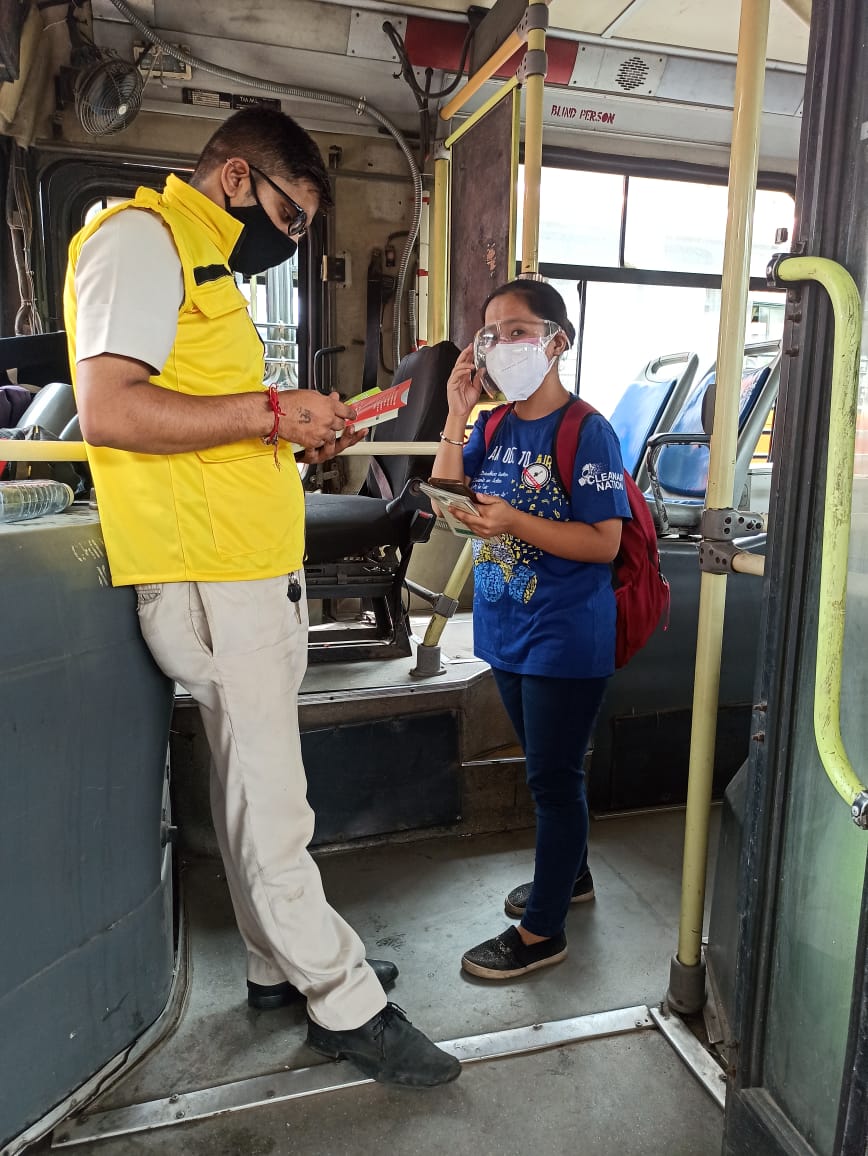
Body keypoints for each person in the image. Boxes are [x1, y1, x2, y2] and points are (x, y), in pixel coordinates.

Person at [63, 106, 460, 1087]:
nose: (290, 240)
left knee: (250, 788)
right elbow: (110, 409)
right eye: (289, 219)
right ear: (237, 178)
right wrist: (275, 411)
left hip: (240, 564)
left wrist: (289, 429)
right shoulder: (142, 242)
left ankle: (275, 963)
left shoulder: (204, 266)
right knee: (275, 804)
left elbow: (214, 423)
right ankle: (343, 1000)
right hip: (210, 573)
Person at [431, 278, 631, 980]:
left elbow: (604, 542)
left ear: (556, 342)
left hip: (564, 633)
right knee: (548, 768)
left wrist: (513, 519)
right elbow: (447, 498)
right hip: (505, 624)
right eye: (490, 334)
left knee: (552, 780)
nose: (500, 345)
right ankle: (571, 876)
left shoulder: (585, 430)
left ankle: (543, 931)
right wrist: (457, 413)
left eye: (517, 331)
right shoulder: (492, 426)